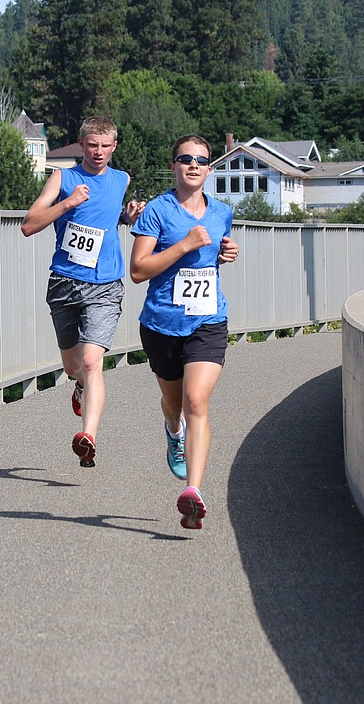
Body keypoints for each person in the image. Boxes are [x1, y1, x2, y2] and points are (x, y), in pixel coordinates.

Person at [21, 117, 145, 467]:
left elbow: (105, 218)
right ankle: (78, 387)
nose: (99, 152)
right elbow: (29, 224)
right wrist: (67, 203)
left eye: (105, 146)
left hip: (105, 284)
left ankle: (88, 435)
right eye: (92, 145)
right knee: (73, 365)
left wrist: (127, 216)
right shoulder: (63, 178)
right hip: (64, 281)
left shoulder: (122, 180)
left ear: (114, 147)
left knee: (92, 363)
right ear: (82, 145)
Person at [129, 134, 238, 530]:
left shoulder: (222, 212)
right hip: (161, 325)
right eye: (185, 159)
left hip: (208, 320)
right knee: (174, 405)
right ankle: (172, 432)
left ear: (209, 169)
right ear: (173, 166)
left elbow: (212, 261)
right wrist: (184, 245)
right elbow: (138, 270)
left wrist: (227, 253)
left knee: (196, 401)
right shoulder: (157, 211)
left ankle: (193, 491)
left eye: (202, 160)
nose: (194, 165)